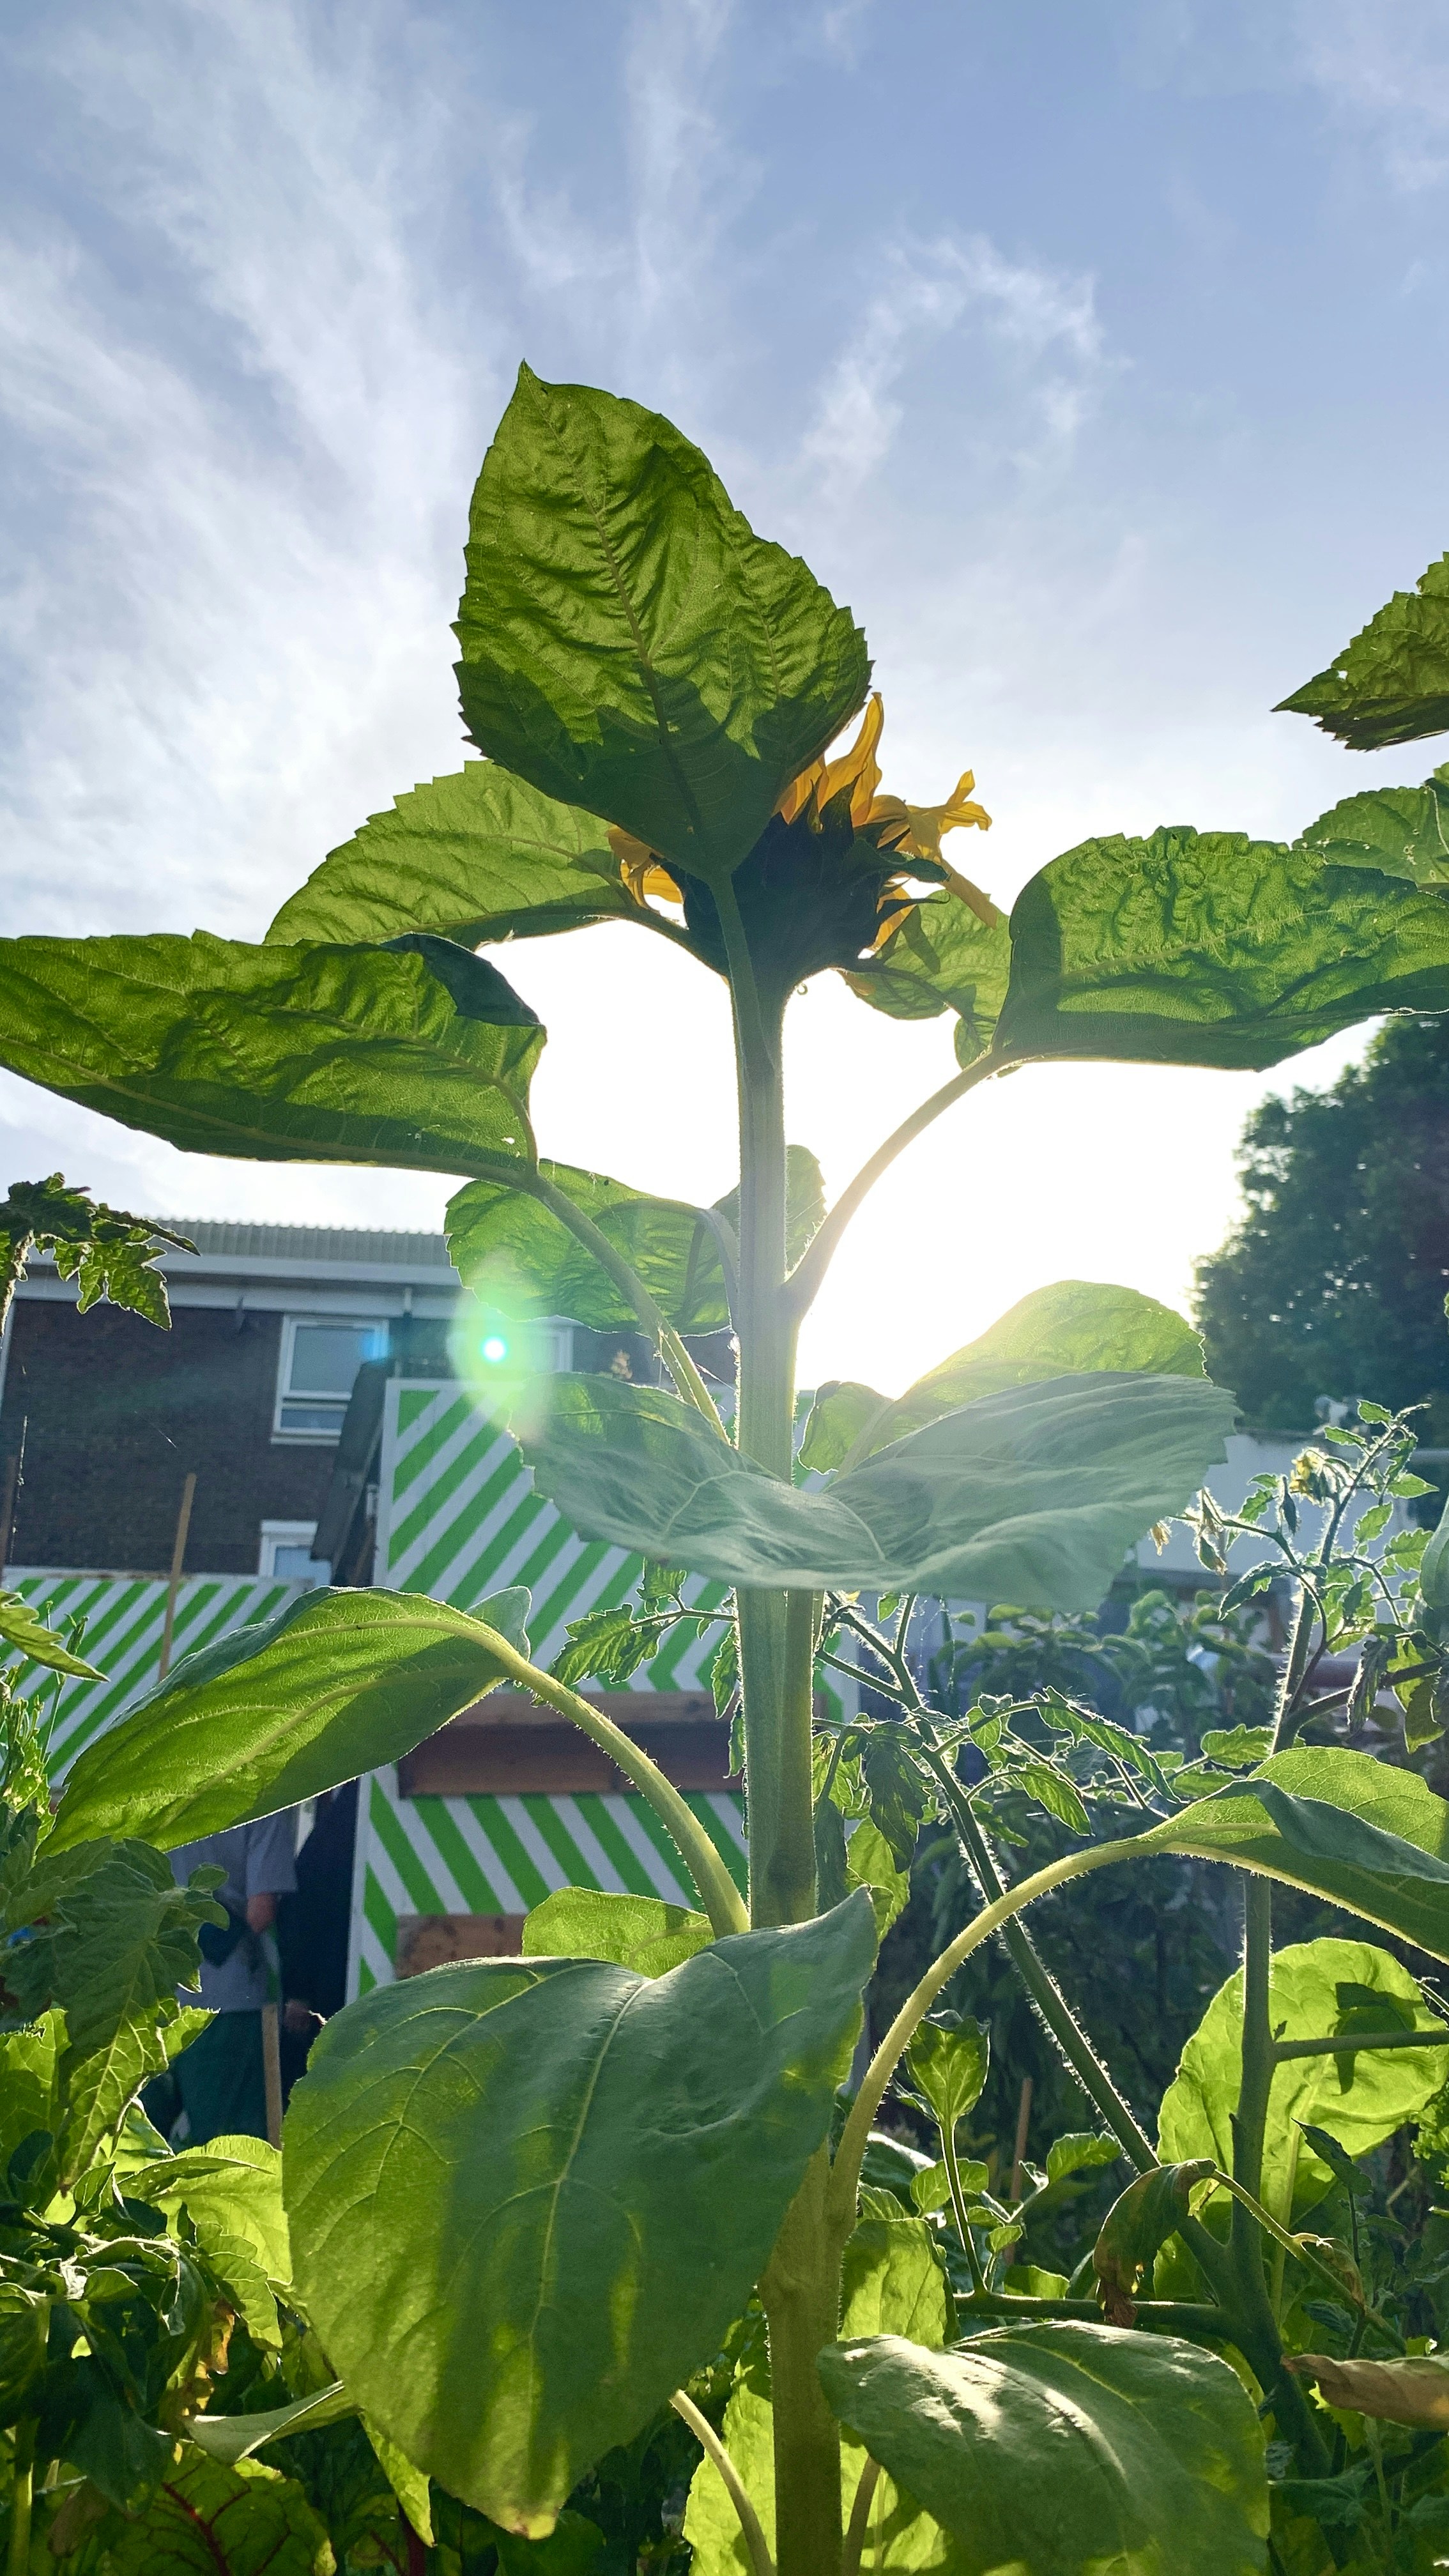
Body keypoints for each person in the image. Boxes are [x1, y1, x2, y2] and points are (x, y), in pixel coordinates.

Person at [164, 1810, 298, 2145]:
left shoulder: (154, 1793)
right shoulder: (267, 1804)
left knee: (136, 2143)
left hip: (150, 1997)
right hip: (228, 2002)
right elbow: (261, 1912)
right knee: (229, 2148)